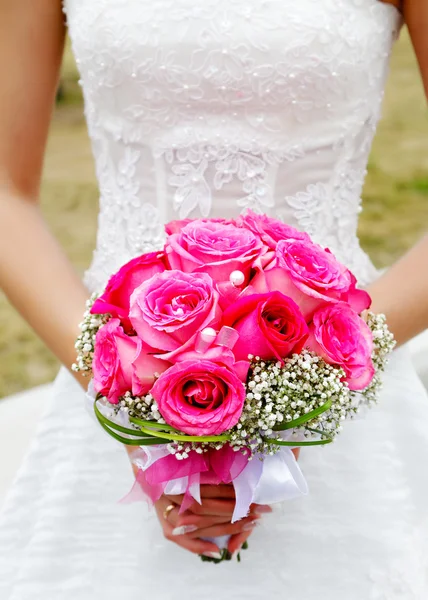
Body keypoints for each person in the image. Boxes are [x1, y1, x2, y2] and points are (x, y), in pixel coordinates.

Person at [0, 0, 427, 598]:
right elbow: (5, 194)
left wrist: (312, 377)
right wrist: (129, 394)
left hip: (346, 406)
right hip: (108, 387)